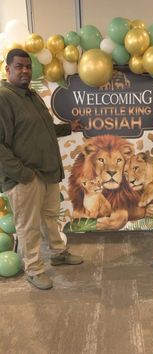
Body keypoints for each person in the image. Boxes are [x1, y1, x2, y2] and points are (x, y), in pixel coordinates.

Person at [0, 49, 83, 290]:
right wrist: (23, 173)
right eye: (19, 66)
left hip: (46, 172)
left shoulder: (31, 95)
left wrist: (68, 128)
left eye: (28, 66)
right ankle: (34, 269)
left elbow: (40, 129)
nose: (25, 70)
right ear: (8, 69)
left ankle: (58, 253)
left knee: (49, 218)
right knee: (28, 225)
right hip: (24, 177)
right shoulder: (4, 97)